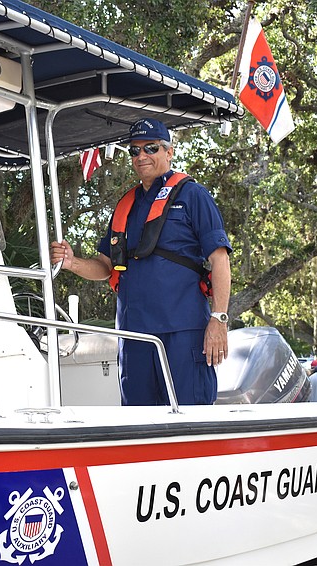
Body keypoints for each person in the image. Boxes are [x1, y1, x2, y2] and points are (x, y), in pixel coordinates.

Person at [50, 118, 232, 406]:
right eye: (135, 151)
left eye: (151, 148)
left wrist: (219, 319)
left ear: (169, 152)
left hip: (183, 333)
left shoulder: (193, 195)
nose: (142, 156)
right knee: (138, 419)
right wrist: (73, 263)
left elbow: (220, 261)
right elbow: (105, 266)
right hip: (134, 335)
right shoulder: (126, 206)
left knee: (190, 419)